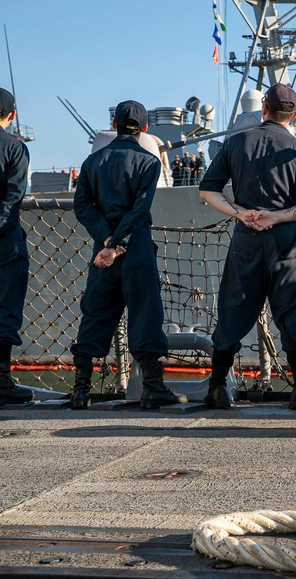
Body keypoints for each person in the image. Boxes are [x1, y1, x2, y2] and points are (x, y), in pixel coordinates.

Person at [199, 83, 296, 410]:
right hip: (284, 241)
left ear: (263, 110)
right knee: (292, 314)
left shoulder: (235, 143)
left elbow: (208, 191)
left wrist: (241, 213)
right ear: (294, 114)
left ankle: (217, 388)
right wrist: (279, 216)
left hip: (246, 237)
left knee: (233, 309)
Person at [68, 100, 188, 410]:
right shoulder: (148, 162)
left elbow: (82, 206)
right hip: (135, 249)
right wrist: (120, 241)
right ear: (145, 128)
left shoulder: (91, 162)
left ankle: (81, 391)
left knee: (96, 312)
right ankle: (152, 388)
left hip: (103, 252)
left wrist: (107, 240)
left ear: (115, 126)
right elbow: (140, 208)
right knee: (145, 314)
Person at [0, 87, 33, 405]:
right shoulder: (15, 148)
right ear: (12, 114)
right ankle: (1, 381)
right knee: (5, 310)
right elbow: (13, 196)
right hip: (5, 241)